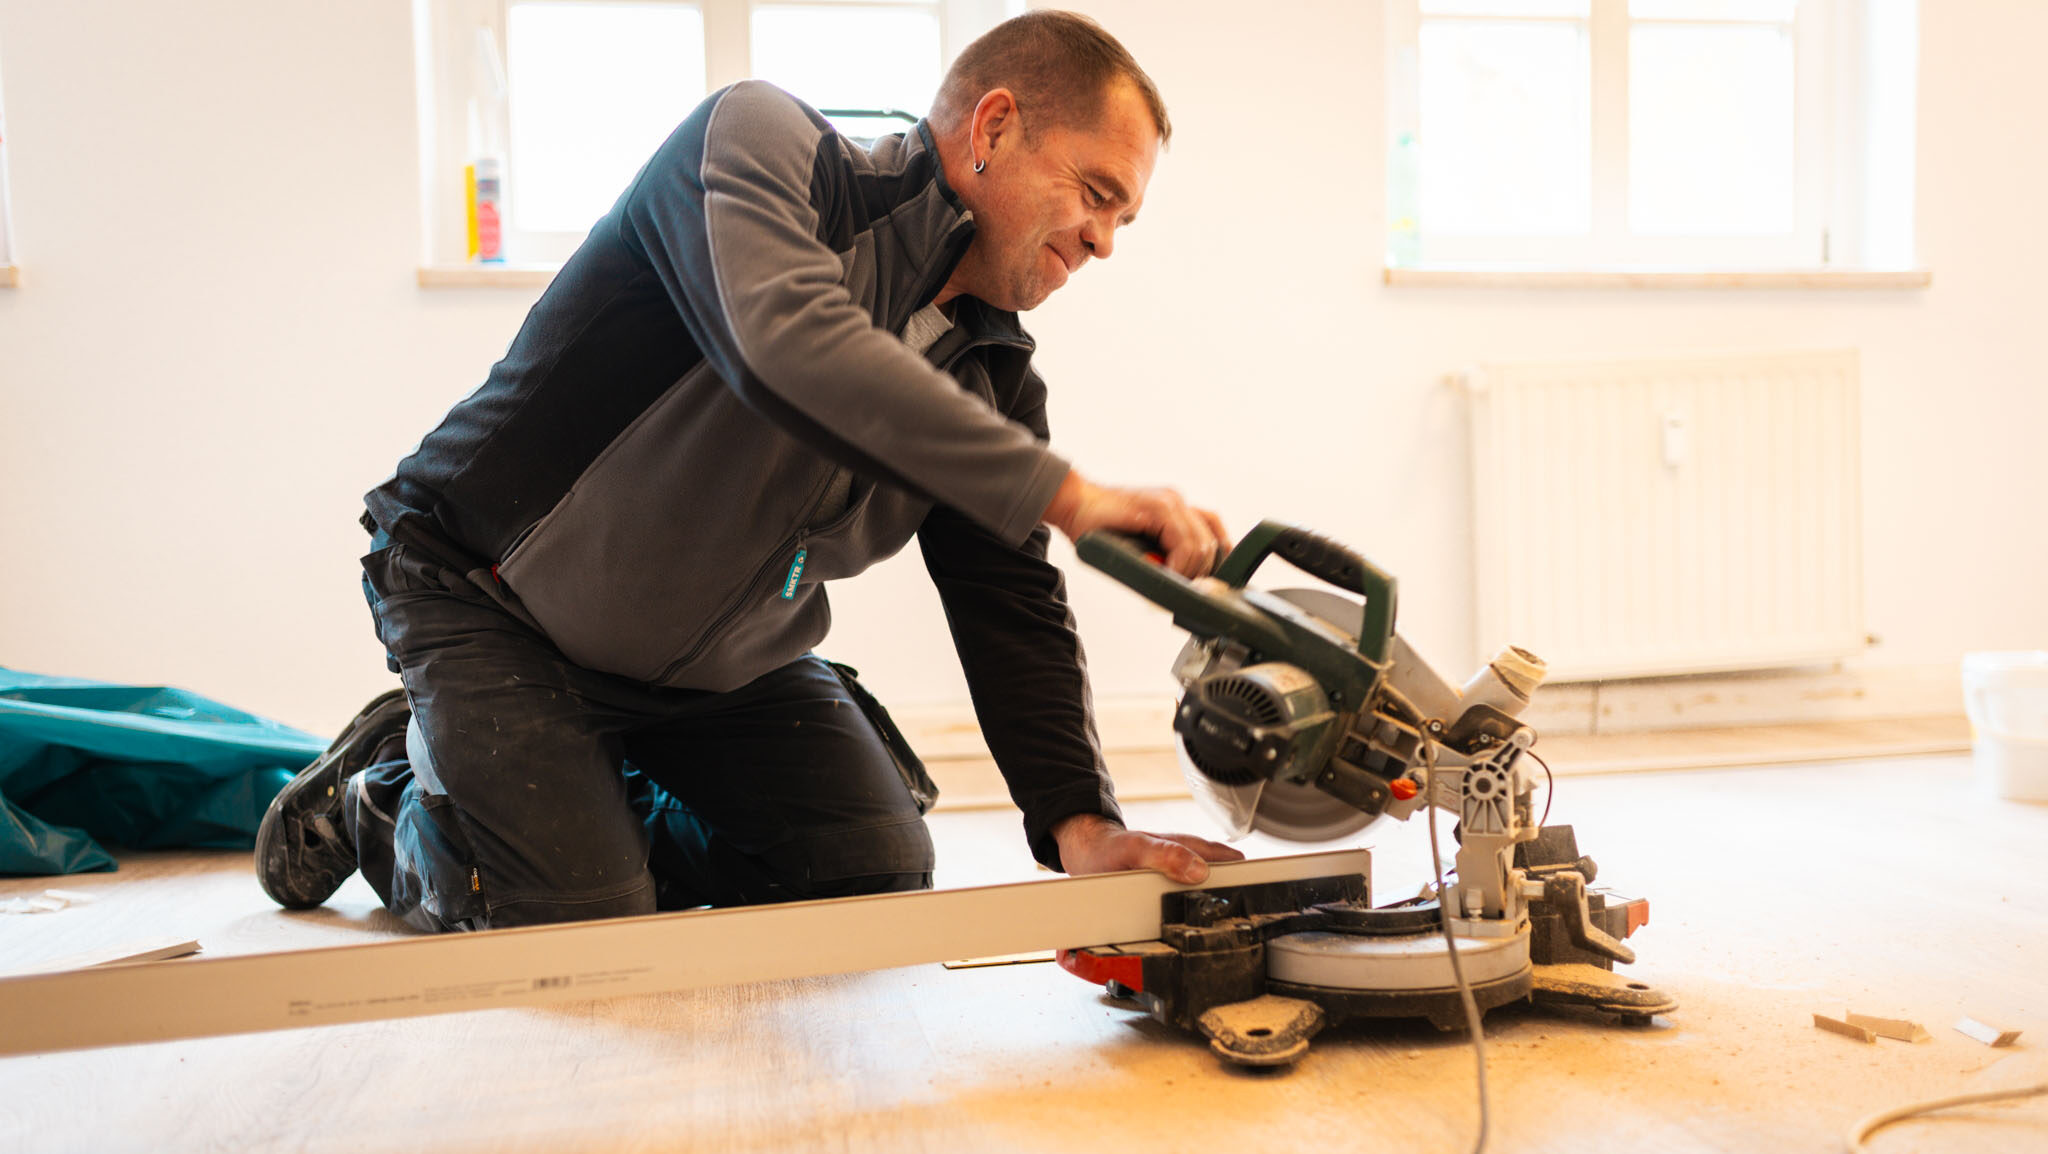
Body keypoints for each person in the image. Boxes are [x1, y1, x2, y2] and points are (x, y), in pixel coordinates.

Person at [256, 11, 1242, 932]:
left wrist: (1083, 826)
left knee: (868, 872)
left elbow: (1006, 595)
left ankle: (562, 806)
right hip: (491, 599)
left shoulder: (989, 368)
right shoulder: (764, 146)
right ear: (992, 127)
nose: (1103, 241)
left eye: (1123, 218)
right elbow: (788, 344)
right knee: (584, 924)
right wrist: (1068, 494)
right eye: (1095, 192)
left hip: (715, 665)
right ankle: (386, 794)